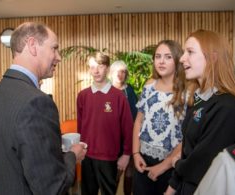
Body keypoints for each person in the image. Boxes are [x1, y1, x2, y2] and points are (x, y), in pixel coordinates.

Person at [0, 22, 87, 195]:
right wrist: (72, 155)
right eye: (54, 48)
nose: (59, 57)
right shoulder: (36, 102)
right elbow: (53, 188)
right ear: (32, 46)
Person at [165, 29, 235, 195]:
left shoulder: (228, 106)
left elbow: (202, 163)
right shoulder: (197, 100)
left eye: (190, 52)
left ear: (212, 57)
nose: (182, 58)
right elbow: (188, 150)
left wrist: (176, 163)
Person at [132, 40, 187, 195]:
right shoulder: (149, 85)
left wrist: (164, 165)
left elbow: (188, 136)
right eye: (158, 56)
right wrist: (136, 154)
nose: (161, 61)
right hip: (142, 159)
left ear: (177, 60)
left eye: (168, 57)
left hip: (171, 164)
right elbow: (138, 121)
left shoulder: (187, 92)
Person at [77, 52, 133, 195]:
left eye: (100, 66)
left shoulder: (119, 96)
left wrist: (126, 154)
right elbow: (81, 126)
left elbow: (127, 127)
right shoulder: (83, 96)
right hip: (87, 156)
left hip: (109, 158)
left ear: (107, 68)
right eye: (92, 67)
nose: (96, 71)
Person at [109, 60, 138, 195]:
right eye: (117, 72)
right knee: (115, 174)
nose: (120, 75)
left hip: (130, 137)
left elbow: (137, 114)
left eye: (123, 72)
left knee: (130, 174)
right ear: (111, 73)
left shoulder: (130, 90)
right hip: (113, 140)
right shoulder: (107, 90)